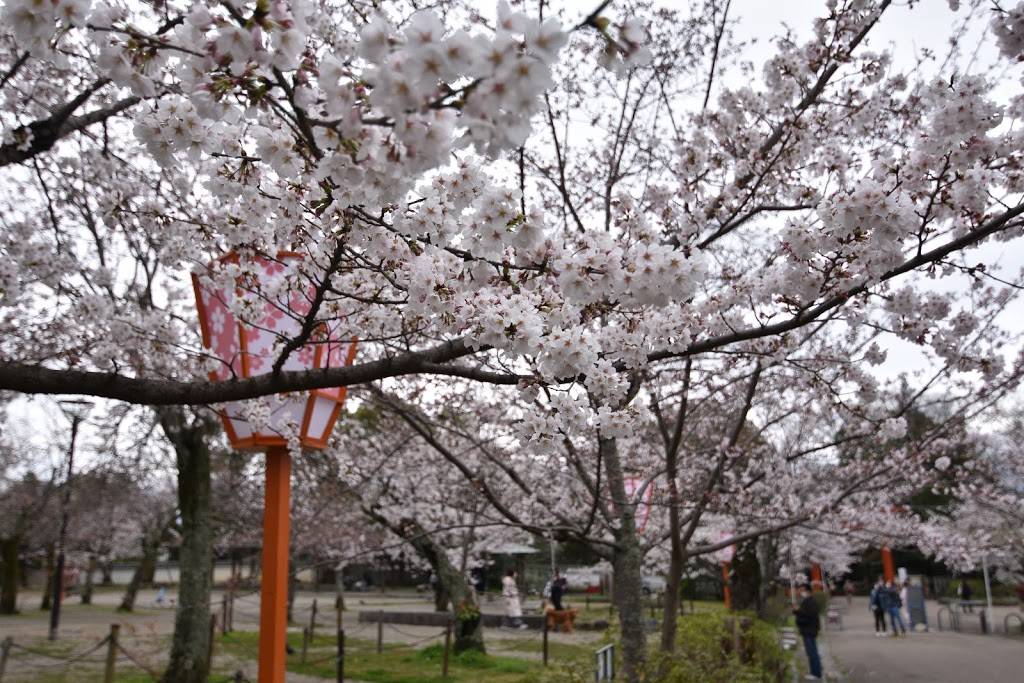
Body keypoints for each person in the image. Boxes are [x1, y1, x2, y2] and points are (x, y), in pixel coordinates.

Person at [793, 584, 823, 681]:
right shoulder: (807, 601)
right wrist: (797, 611)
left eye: (802, 590)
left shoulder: (810, 602)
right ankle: (815, 671)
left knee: (812, 652)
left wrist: (798, 612)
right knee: (812, 651)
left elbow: (809, 616)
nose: (800, 592)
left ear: (807, 591)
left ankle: (816, 673)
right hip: (809, 630)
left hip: (809, 630)